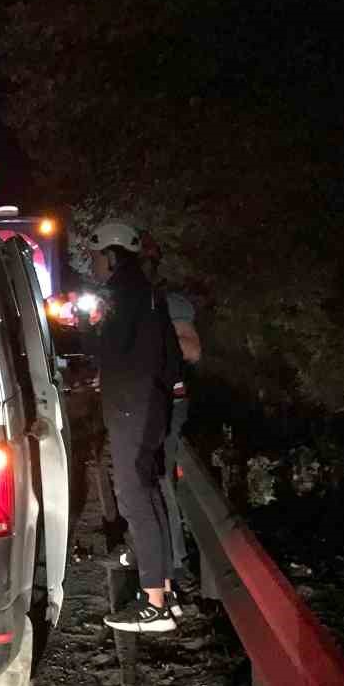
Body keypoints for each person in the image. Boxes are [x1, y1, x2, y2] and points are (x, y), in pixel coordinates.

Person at [89, 221, 185, 633]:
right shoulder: (148, 292)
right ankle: (162, 590)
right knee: (148, 493)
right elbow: (168, 356)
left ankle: (154, 604)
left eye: (95, 257)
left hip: (132, 405)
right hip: (151, 403)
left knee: (134, 495)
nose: (93, 265)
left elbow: (102, 349)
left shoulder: (119, 295)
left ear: (110, 256)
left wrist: (87, 327)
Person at [140, 234, 203, 604]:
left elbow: (193, 350)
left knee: (161, 478)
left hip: (169, 403)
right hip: (143, 404)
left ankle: (175, 562)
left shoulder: (171, 304)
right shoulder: (133, 303)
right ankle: (156, 554)